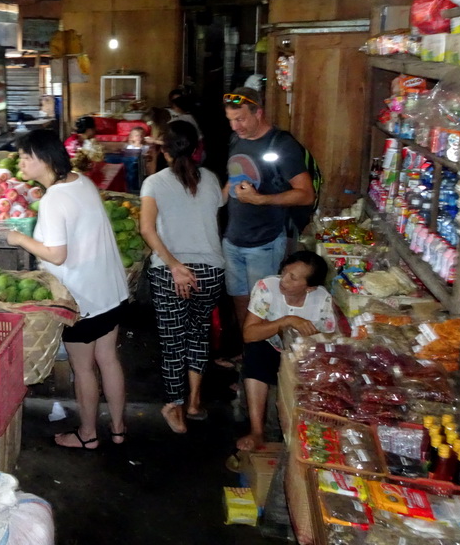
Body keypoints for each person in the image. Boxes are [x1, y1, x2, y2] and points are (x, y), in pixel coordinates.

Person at [6, 129, 129, 449]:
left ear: (44, 160)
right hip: (110, 290)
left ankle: (88, 435)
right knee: (108, 360)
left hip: (83, 298)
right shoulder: (81, 182)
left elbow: (56, 254)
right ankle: (118, 429)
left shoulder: (53, 199)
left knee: (83, 368)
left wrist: (19, 239)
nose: (20, 162)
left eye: (25, 157)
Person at [139, 121, 226, 434]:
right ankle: (195, 401)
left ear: (164, 152)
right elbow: (217, 204)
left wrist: (174, 265)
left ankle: (175, 408)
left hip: (171, 274)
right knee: (199, 333)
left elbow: (146, 229)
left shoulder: (154, 183)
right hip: (211, 271)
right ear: (195, 149)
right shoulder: (211, 178)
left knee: (173, 342)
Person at [222, 87, 314, 329]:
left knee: (264, 306)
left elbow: (305, 195)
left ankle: (266, 359)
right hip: (233, 240)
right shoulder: (237, 139)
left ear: (258, 112)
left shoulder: (283, 145)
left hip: (264, 243)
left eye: (240, 119)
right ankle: (246, 354)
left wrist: (261, 200)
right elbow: (234, 177)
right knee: (240, 300)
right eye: (230, 120)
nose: (235, 127)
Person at [238, 251, 335, 450]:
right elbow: (248, 333)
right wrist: (285, 322)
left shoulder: (321, 300)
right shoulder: (267, 287)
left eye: (293, 278)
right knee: (255, 349)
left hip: (301, 356)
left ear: (310, 287)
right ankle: (257, 431)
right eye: (285, 272)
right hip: (270, 347)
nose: (284, 280)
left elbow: (327, 342)